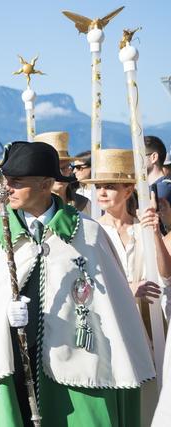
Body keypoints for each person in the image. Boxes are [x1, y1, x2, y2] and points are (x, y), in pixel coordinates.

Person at [0, 141, 155, 426]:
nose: (7, 188)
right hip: (9, 362)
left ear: (45, 184)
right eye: (6, 180)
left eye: (17, 182)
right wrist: (2, 315)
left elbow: (112, 311)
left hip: (76, 369)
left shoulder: (87, 234)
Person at [81, 148, 171, 425]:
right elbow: (85, 284)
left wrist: (155, 233)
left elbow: (165, 274)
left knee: (151, 396)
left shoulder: (143, 227)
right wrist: (129, 289)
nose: (102, 193)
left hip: (150, 323)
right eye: (99, 187)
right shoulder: (90, 230)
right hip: (111, 324)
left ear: (129, 190)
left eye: (110, 186)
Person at [35, 132, 91, 215]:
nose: (59, 174)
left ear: (70, 170)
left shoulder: (84, 204)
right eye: (54, 169)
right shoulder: (32, 207)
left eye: (64, 168)